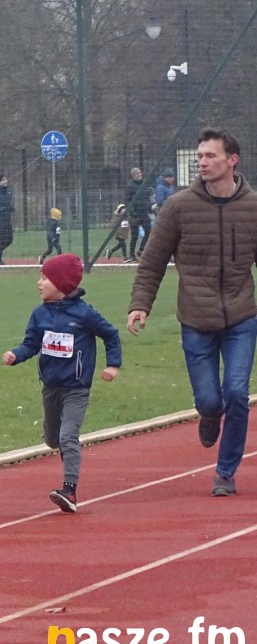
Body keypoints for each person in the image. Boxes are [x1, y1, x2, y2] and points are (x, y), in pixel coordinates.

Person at [128, 126, 257, 498]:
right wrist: (140, 304)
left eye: (210, 155)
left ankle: (225, 473)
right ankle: (209, 414)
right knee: (210, 400)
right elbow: (152, 261)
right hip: (196, 319)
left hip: (242, 317)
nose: (202, 162)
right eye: (200, 156)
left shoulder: (252, 207)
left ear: (232, 160)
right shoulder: (179, 207)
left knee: (237, 393)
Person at [3, 254, 121, 513]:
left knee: (68, 437)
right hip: (50, 387)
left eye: (44, 278)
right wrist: (16, 355)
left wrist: (113, 364)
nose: (39, 283)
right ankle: (64, 450)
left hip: (76, 388)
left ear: (61, 284)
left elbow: (111, 334)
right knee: (53, 439)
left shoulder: (84, 314)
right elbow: (31, 344)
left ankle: (69, 490)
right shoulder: (39, 314)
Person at [126, 167, 152, 261]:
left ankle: (141, 249)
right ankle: (131, 254)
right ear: (133, 176)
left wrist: (148, 206)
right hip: (135, 213)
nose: (140, 174)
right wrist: (132, 212)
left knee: (149, 231)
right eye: (137, 173)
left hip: (144, 212)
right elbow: (127, 201)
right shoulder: (130, 186)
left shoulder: (144, 184)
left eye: (140, 172)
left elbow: (147, 197)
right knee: (134, 235)